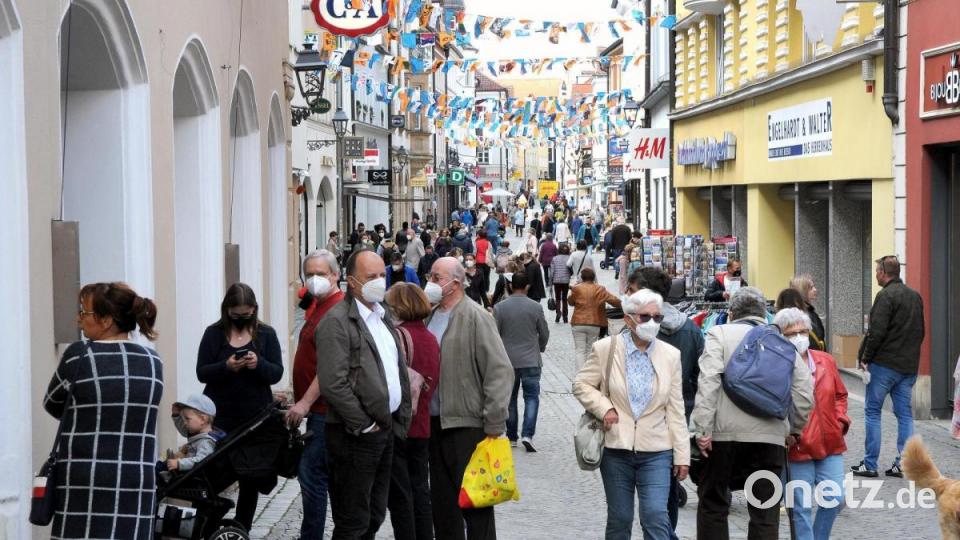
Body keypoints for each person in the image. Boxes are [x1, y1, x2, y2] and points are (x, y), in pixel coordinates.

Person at [690, 287, 813, 540]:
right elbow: (804, 394)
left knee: (713, 503)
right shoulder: (781, 340)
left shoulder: (718, 333)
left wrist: (702, 429)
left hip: (722, 438)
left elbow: (709, 381)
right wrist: (794, 431)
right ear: (764, 314)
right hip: (769, 439)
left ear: (731, 312)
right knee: (764, 509)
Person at [42, 282, 163, 539]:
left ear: (106, 320)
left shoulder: (79, 356)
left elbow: (52, 403)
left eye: (84, 312)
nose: (78, 319)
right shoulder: (154, 363)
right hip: (136, 481)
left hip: (85, 480)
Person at [573, 289, 691, 540]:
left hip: (657, 450)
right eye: (644, 317)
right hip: (616, 448)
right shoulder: (606, 348)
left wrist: (682, 455)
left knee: (656, 516)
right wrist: (604, 407)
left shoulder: (671, 355)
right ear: (628, 319)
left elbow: (676, 408)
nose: (651, 323)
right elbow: (581, 384)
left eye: (657, 318)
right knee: (620, 518)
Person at [316, 250, 412, 539]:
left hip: (384, 429)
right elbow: (334, 383)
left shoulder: (382, 316)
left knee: (373, 514)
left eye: (382, 275)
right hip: (355, 435)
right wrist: (364, 424)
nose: (379, 282)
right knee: (353, 520)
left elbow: (394, 368)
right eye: (371, 277)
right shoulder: (337, 321)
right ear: (352, 281)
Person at [423, 257, 514, 540]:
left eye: (436, 277)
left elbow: (499, 370)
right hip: (434, 423)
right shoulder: (428, 315)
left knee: (475, 502)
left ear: (455, 283)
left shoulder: (476, 317)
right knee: (442, 502)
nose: (431, 282)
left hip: (467, 424)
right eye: (431, 276)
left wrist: (494, 420)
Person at [196, 282, 284, 530]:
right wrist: (226, 367)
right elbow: (202, 372)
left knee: (250, 476)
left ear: (254, 310)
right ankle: (211, 524)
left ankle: (241, 529)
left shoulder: (266, 334)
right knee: (214, 473)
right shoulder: (214, 333)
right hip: (220, 417)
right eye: (236, 315)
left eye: (247, 315)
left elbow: (276, 373)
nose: (242, 319)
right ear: (227, 311)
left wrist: (259, 365)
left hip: (255, 420)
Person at [627, 266, 705, 531]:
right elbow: (701, 377)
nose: (628, 295)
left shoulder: (637, 329)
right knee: (666, 492)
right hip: (678, 420)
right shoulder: (692, 331)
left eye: (633, 291)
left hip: (642, 425)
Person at [285, 250, 346, 539]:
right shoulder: (318, 306)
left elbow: (330, 365)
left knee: (312, 476)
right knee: (324, 477)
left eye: (321, 273)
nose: (314, 279)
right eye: (309, 273)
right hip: (316, 411)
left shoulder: (336, 309)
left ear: (336, 275)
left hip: (324, 410)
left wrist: (305, 402)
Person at [774, 307, 849, 540]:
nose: (799, 337)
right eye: (791, 333)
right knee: (800, 508)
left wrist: (840, 421)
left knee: (834, 499)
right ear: (781, 336)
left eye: (803, 331)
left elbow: (840, 395)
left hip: (830, 443)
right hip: (797, 447)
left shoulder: (826, 361)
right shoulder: (777, 365)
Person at [851, 255, 925, 478]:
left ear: (884, 273)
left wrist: (865, 357)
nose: (875, 275)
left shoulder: (885, 296)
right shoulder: (915, 296)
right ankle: (904, 463)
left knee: (873, 411)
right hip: (907, 366)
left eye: (876, 271)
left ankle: (870, 463)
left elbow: (877, 332)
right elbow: (920, 332)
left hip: (884, 365)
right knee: (905, 415)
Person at [385, 284, 441, 540]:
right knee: (420, 490)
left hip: (400, 424)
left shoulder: (396, 336)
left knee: (400, 495)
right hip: (422, 423)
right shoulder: (429, 337)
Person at [494, 272, 550, 452]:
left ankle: (511, 436)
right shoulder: (535, 307)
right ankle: (528, 434)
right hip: (531, 360)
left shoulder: (500, 307)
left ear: (511, 286)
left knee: (509, 398)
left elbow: (494, 334)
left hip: (507, 360)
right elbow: (544, 332)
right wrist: (539, 347)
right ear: (527, 286)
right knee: (532, 397)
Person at [568, 268, 621, 370]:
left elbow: (570, 302)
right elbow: (613, 300)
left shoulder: (576, 288)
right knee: (589, 349)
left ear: (582, 277)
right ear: (593, 277)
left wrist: (573, 291)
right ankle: (587, 373)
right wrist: (625, 306)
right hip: (594, 322)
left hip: (578, 322)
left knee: (579, 350)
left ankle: (580, 373)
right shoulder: (600, 289)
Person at [166, 394, 217, 471]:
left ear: (202, 419)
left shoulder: (206, 441)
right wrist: (176, 415)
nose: (185, 423)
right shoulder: (198, 434)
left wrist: (179, 463)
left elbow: (203, 461)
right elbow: (184, 430)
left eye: (187, 419)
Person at [790, 274, 827, 351]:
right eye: (811, 288)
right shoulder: (798, 315)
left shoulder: (810, 312)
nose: (815, 289)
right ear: (802, 291)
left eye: (814, 286)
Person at [549, 242, 572, 323]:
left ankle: (558, 314)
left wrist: (550, 283)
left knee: (558, 298)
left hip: (556, 280)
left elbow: (552, 272)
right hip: (566, 280)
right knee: (564, 299)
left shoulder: (554, 258)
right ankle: (565, 317)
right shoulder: (569, 258)